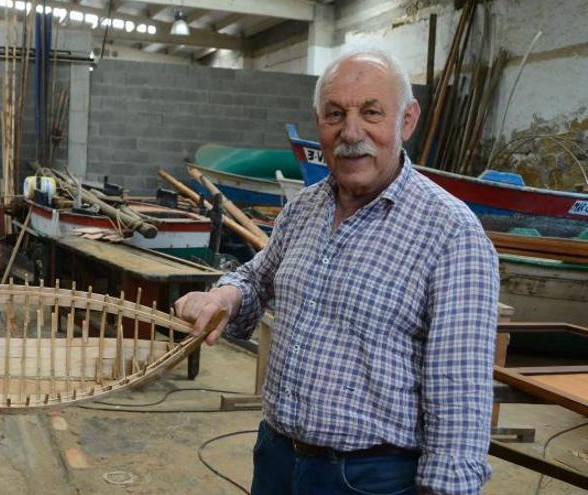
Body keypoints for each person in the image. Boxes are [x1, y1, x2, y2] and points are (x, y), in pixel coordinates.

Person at [175, 50, 499, 495]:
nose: (350, 133)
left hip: (370, 478)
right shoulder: (303, 209)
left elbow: (460, 398)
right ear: (318, 122)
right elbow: (256, 278)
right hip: (276, 456)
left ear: (407, 120)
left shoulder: (452, 233)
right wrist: (224, 296)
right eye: (334, 115)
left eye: (371, 113)